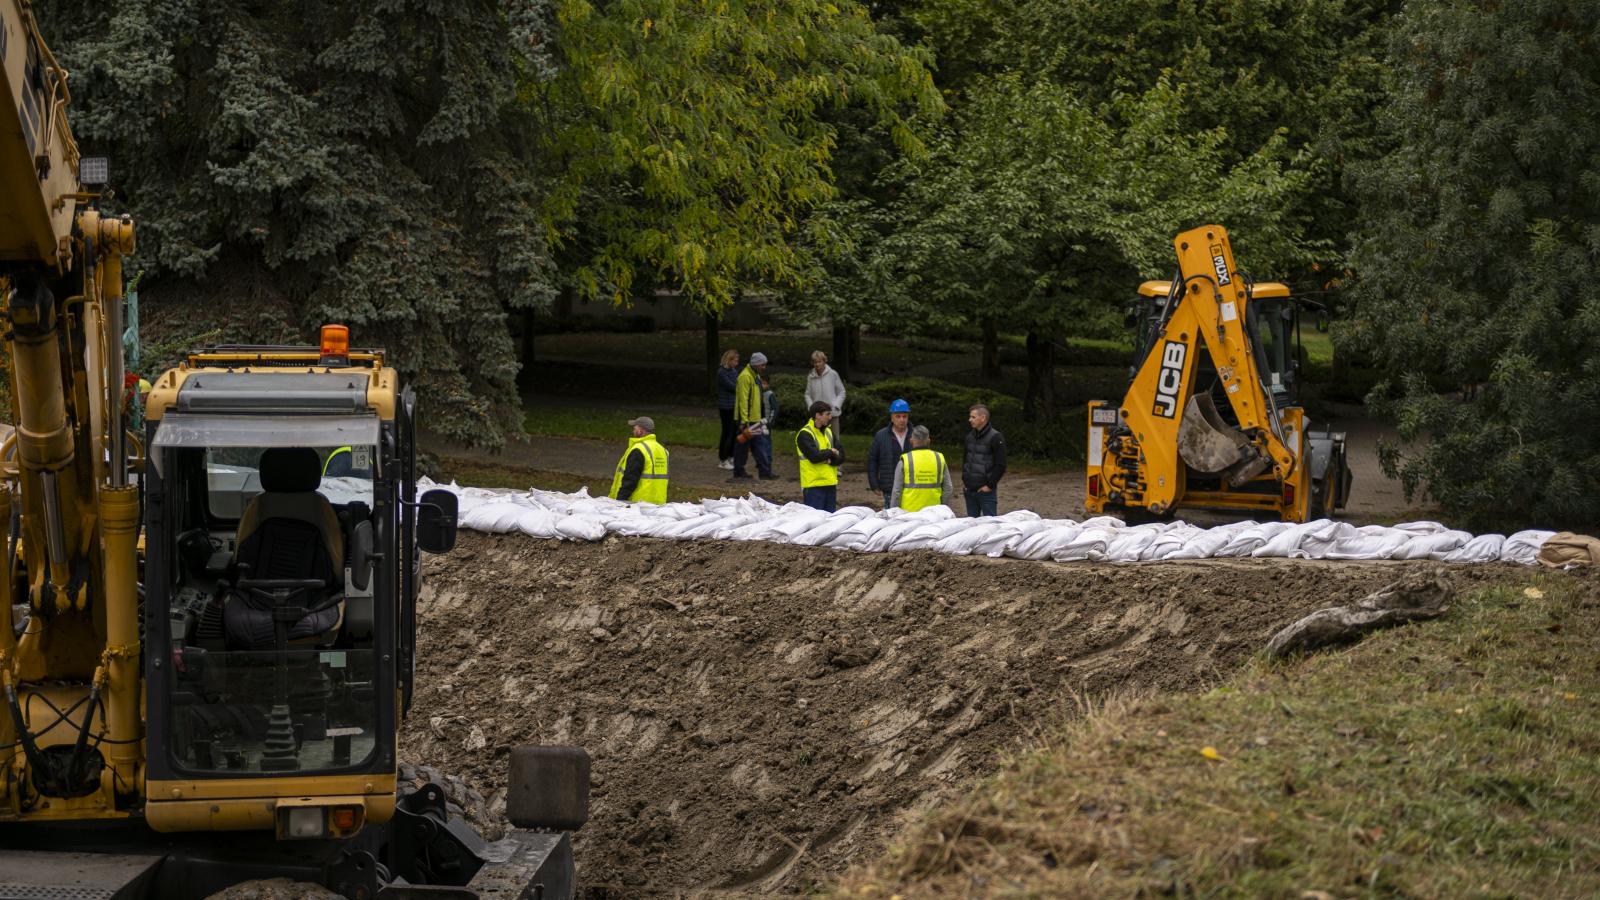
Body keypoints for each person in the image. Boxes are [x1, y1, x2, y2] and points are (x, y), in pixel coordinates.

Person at [732, 352, 775, 480]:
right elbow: (743, 400)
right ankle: (741, 471)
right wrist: (744, 421)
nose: (764, 367)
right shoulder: (745, 377)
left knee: (758, 445)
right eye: (762, 365)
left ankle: (763, 471)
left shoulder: (754, 376)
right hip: (747, 419)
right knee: (743, 446)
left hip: (754, 418)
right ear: (756, 364)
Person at [890, 426, 953, 511]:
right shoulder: (939, 458)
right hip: (934, 512)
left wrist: (893, 512)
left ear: (911, 440)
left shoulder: (905, 460)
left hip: (909, 512)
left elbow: (896, 492)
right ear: (929, 441)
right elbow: (948, 488)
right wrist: (942, 507)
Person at [609, 416, 670, 503]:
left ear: (640, 430)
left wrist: (620, 500)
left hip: (637, 504)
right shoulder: (663, 451)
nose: (633, 431)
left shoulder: (639, 449)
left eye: (635, 428)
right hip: (657, 504)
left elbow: (630, 479)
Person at [795, 401, 842, 511]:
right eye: (827, 414)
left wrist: (830, 460)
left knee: (829, 521)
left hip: (830, 483)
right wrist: (831, 452)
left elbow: (842, 456)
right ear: (818, 415)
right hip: (813, 486)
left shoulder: (829, 432)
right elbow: (814, 457)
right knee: (814, 522)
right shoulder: (804, 434)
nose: (830, 417)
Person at [866, 398, 913, 508]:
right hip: (889, 489)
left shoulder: (916, 435)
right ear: (892, 417)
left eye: (904, 416)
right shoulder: (881, 436)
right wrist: (874, 484)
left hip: (912, 489)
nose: (902, 420)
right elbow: (872, 460)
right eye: (898, 416)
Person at [961, 403, 1007, 517]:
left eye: (973, 417)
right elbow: (965, 460)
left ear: (983, 418)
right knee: (971, 525)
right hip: (969, 490)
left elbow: (1001, 465)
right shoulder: (969, 437)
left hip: (986, 492)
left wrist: (989, 486)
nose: (969, 420)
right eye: (970, 417)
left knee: (991, 525)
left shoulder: (996, 437)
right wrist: (965, 480)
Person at [803, 350, 847, 446]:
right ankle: (822, 459)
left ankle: (835, 459)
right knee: (818, 440)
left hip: (832, 415)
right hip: (818, 416)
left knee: (834, 440)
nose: (817, 364)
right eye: (815, 362)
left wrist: (836, 406)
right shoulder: (811, 376)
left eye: (819, 362)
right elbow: (807, 394)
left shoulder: (833, 374)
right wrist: (811, 407)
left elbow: (842, 392)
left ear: (824, 361)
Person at [716, 348, 740, 469]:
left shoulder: (734, 372)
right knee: (727, 433)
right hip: (725, 407)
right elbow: (733, 386)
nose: (736, 363)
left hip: (733, 406)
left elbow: (737, 384)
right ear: (729, 360)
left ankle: (731, 456)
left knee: (734, 432)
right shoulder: (721, 372)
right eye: (735, 360)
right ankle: (723, 458)